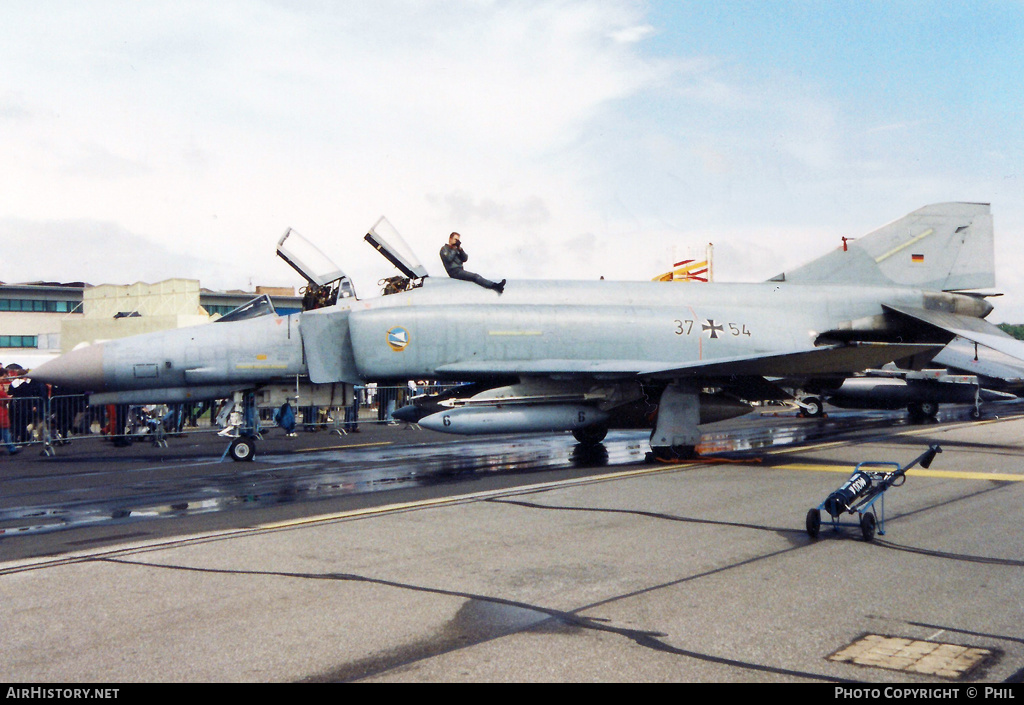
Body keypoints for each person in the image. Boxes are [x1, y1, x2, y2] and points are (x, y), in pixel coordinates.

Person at [439, 232, 505, 293]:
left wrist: (460, 249)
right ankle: (495, 286)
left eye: (458, 240)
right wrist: (454, 249)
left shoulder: (456, 249)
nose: (456, 242)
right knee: (475, 277)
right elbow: (448, 259)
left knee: (474, 276)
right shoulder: (444, 249)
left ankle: (496, 285)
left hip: (460, 270)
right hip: (453, 272)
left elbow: (465, 259)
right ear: (450, 239)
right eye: (455, 239)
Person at [0, 373, 20, 455]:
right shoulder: (1, 391)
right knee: (5, 432)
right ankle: (12, 449)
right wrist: (8, 398)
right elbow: (5, 399)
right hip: (2, 414)